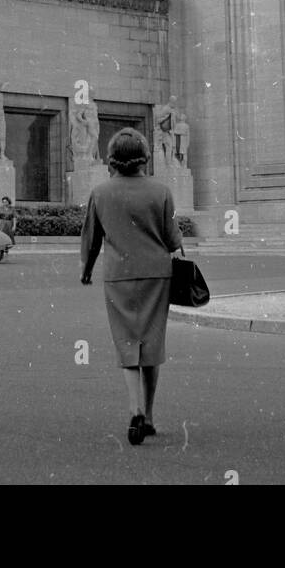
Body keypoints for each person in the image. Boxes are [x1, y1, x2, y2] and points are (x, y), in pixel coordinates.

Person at [80, 129, 183, 446]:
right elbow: (173, 239)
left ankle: (134, 409)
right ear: (144, 157)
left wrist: (86, 270)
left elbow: (91, 239)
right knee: (152, 343)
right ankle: (149, 416)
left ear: (112, 158)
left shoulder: (100, 193)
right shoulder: (161, 191)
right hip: (157, 274)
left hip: (119, 274)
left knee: (127, 343)